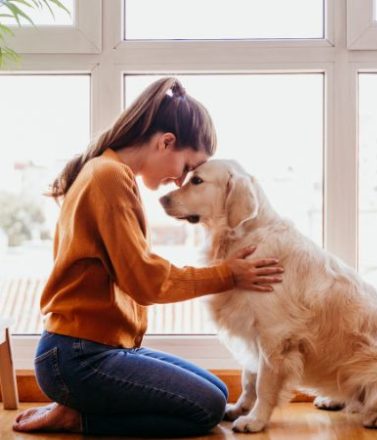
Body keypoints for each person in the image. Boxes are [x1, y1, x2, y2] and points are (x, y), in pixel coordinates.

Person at [13, 77, 283, 437]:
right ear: (166, 142)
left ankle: (81, 403)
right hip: (77, 357)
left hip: (94, 350)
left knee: (218, 393)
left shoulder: (107, 171)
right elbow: (146, 281)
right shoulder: (108, 177)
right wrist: (228, 274)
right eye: (187, 168)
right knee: (205, 409)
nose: (179, 181)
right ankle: (80, 417)